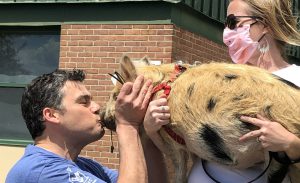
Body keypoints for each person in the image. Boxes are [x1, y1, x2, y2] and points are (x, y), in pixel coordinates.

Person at [144, 0, 300, 182]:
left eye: (234, 23)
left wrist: (290, 143)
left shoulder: (295, 79)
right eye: (226, 24)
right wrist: (153, 129)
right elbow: (183, 153)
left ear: (264, 24)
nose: (227, 33)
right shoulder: (218, 78)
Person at [5, 69, 154, 183]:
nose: (97, 107)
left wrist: (150, 134)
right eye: (84, 102)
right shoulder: (42, 171)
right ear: (52, 115)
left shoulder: (85, 166)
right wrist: (127, 125)